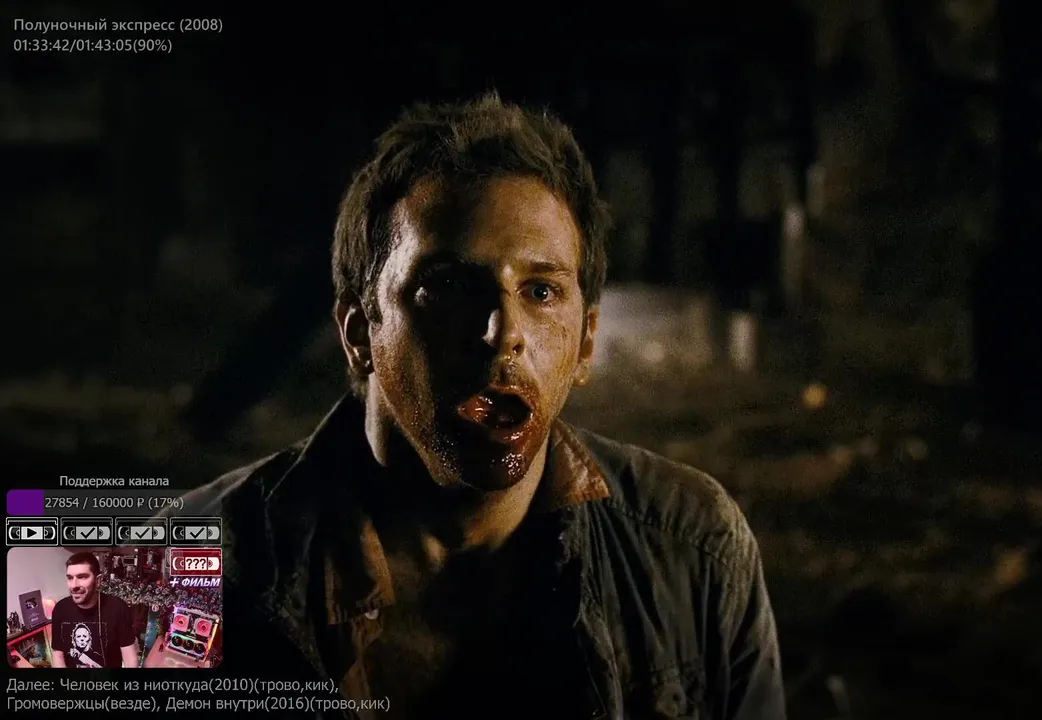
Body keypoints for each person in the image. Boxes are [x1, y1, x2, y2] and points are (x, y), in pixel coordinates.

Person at [171, 93, 785, 719]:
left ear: (585, 344)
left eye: (541, 291)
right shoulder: (171, 570)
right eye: (447, 287)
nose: (501, 331)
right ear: (358, 334)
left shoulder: (695, 549)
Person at [50, 553, 139, 669]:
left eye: (82, 577)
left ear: (98, 580)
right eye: (70, 578)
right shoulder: (60, 609)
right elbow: (58, 654)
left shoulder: (118, 608)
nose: (74, 585)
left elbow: (130, 657)